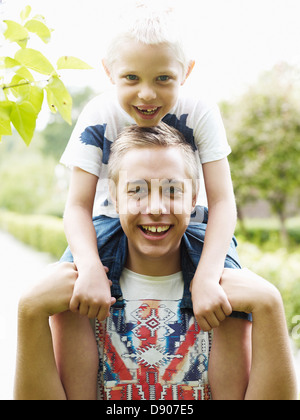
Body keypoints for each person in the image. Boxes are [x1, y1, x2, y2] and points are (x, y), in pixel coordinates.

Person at [14, 123, 297, 400]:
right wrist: (29, 311)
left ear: (194, 198)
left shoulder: (228, 290)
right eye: (137, 191)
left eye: (173, 190)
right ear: (114, 197)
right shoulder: (79, 291)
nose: (156, 208)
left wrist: (270, 304)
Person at [59, 3, 237, 331]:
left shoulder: (200, 112)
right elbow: (76, 206)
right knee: (68, 298)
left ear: (186, 71)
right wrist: (89, 267)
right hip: (111, 221)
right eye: (131, 78)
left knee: (233, 298)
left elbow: (223, 201)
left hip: (191, 223)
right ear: (109, 71)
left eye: (163, 78)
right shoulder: (98, 114)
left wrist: (208, 277)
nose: (146, 93)